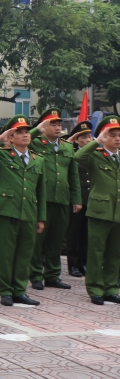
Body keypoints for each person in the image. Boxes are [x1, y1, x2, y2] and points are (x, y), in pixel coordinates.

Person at [0, 115, 46, 307]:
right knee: (6, 254)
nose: (25, 135)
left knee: (25, 253)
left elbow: (41, 190)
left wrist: (41, 217)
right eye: (19, 132)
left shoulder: (38, 159)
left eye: (27, 132)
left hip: (29, 211)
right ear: (11, 137)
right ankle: (6, 291)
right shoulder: (2, 155)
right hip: (7, 210)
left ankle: (19, 290)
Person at [27, 108, 80, 292]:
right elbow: (21, 139)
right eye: (53, 124)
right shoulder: (35, 143)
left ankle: (52, 275)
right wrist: (37, 130)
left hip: (62, 198)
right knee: (38, 240)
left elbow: (73, 175)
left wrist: (76, 199)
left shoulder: (67, 147)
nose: (58, 128)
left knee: (57, 240)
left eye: (59, 124)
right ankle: (35, 275)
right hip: (41, 199)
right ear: (44, 126)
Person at [74, 114, 120, 305]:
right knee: (96, 252)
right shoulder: (95, 155)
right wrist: (97, 141)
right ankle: (95, 289)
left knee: (115, 253)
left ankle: (111, 288)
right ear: (103, 136)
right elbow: (78, 156)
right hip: (100, 211)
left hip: (118, 212)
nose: (117, 138)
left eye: (119, 135)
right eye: (113, 135)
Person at [65, 121, 93, 277]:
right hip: (76, 199)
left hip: (91, 200)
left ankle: (83, 262)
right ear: (76, 140)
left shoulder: (95, 154)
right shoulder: (73, 155)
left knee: (86, 234)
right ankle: (73, 264)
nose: (88, 140)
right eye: (84, 137)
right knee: (73, 233)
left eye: (89, 137)